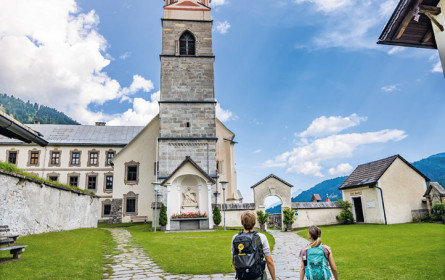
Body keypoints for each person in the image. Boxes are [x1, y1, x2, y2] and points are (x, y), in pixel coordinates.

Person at [232, 210, 276, 280]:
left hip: (242, 276)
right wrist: (274, 279)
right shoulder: (261, 237)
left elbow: (234, 259)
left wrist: (239, 275)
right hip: (258, 276)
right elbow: (269, 261)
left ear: (242, 222)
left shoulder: (235, 238)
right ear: (254, 222)